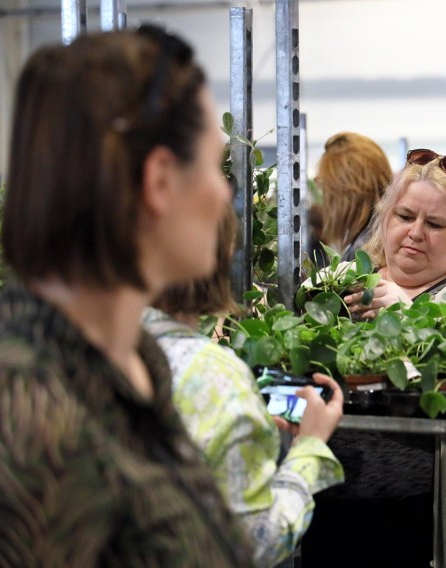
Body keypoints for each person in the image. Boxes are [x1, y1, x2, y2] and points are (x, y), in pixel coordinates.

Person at [0, 26, 254, 565]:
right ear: (159, 181)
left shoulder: (138, 359)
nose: (223, 191)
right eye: (211, 164)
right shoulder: (30, 411)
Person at [301, 148, 446, 568]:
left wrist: (406, 316)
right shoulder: (334, 287)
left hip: (423, 522)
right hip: (327, 511)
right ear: (385, 220)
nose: (415, 233)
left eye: (434, 224)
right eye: (404, 216)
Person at [144, 208, 344, 568]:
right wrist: (309, 448)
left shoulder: (71, 352)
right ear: (218, 258)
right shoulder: (217, 378)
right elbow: (256, 544)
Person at [315, 131, 393, 262]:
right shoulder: (380, 234)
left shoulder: (368, 249)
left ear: (346, 189)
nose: (325, 197)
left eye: (327, 186)